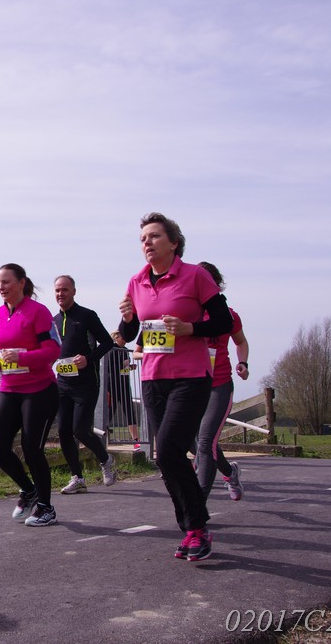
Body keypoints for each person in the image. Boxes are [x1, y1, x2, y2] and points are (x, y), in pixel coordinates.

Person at [118, 212, 232, 562]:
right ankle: (192, 529)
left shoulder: (195, 275)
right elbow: (131, 334)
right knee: (165, 457)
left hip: (190, 377)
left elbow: (223, 321)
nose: (147, 243)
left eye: (154, 236)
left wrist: (190, 329)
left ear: (174, 243)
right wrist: (126, 320)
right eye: (143, 239)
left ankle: (196, 527)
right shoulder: (137, 281)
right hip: (153, 378)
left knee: (167, 451)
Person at [0, 264, 60, 527]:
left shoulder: (38, 312)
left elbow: (53, 350)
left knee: (32, 449)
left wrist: (23, 358)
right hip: (9, 388)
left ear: (21, 283)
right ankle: (28, 490)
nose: (1, 287)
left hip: (39, 390)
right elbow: (6, 349)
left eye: (6, 282)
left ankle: (46, 508)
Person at [51, 275, 117, 495]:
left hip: (86, 383)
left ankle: (106, 460)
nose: (61, 294)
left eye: (65, 289)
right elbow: (52, 348)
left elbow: (108, 342)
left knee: (80, 430)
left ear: (74, 291)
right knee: (63, 431)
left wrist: (88, 359)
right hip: (63, 383)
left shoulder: (87, 316)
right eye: (57, 290)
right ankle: (77, 478)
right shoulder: (53, 321)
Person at [194, 262, 249, 502]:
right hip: (192, 385)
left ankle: (197, 503)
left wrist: (243, 362)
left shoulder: (228, 315)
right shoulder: (187, 314)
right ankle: (229, 472)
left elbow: (241, 341)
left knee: (206, 442)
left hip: (219, 384)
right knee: (199, 442)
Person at [106, 331, 141, 450]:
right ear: (116, 338)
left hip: (124, 385)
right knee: (110, 411)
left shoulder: (125, 350)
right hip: (112, 386)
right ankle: (102, 437)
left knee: (130, 411)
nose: (125, 339)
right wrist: (122, 365)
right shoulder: (111, 349)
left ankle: (136, 440)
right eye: (123, 337)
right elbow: (109, 367)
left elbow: (123, 367)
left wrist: (130, 367)